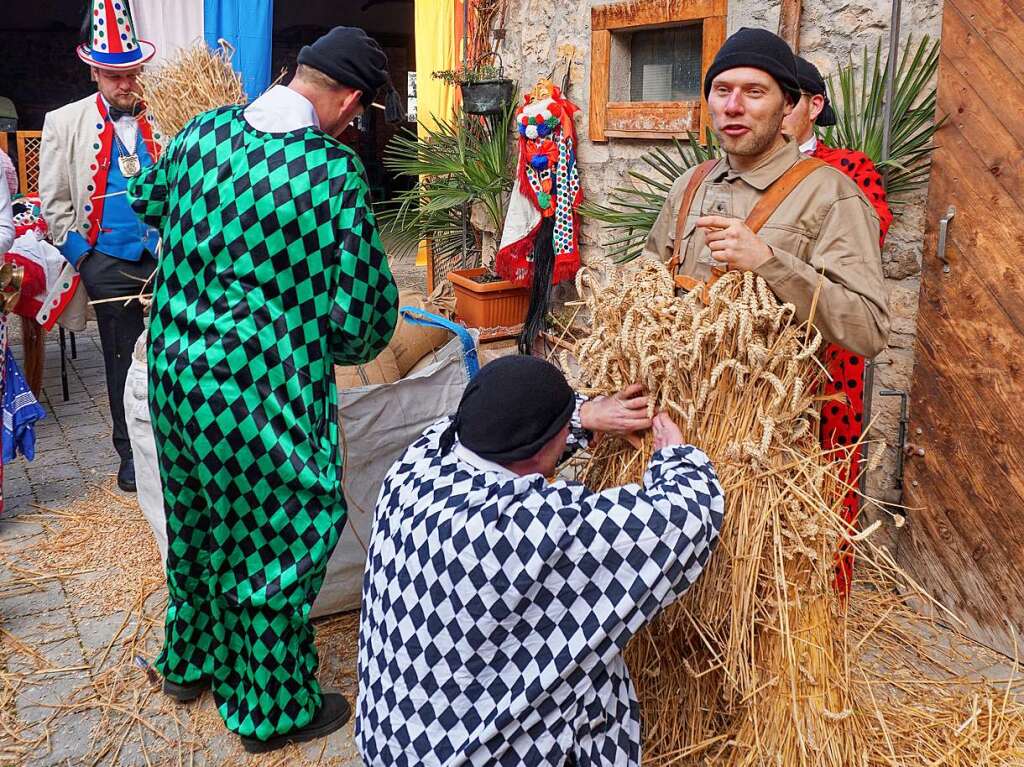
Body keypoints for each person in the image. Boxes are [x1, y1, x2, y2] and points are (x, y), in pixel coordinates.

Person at [127, 27, 399, 753]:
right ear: (347, 98)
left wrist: (208, 246)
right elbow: (366, 323)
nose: (351, 124)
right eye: (357, 112)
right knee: (283, 530)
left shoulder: (203, 132)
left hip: (175, 371)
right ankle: (271, 705)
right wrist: (310, 330)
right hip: (261, 387)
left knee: (196, 518)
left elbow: (147, 197)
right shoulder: (331, 174)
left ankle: (190, 661)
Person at [357, 355, 725, 766]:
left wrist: (582, 415)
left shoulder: (416, 464)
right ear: (539, 446)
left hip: (394, 739)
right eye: (563, 427)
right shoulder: (525, 532)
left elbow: (481, 429)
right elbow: (687, 516)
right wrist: (674, 455)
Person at [642, 27, 890, 360]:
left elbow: (868, 330)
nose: (733, 106)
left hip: (762, 409)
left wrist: (768, 262)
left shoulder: (831, 194)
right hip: (670, 405)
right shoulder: (690, 184)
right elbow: (644, 290)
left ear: (787, 103)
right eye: (721, 90)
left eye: (754, 92)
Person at [782, 54, 895, 594]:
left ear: (812, 106)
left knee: (831, 470)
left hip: (829, 353)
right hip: (754, 354)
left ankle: (825, 602)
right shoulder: (727, 173)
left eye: (787, 96)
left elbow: (863, 246)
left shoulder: (849, 171)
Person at [39, 0, 162, 492]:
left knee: (173, 358)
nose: (125, 83)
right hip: (106, 261)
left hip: (167, 258)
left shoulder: (167, 115)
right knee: (119, 361)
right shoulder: (63, 121)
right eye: (113, 74)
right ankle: (129, 454)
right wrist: (83, 258)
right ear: (93, 71)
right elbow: (53, 201)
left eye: (131, 72)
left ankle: (171, 450)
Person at [782, 56, 894, 242]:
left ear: (815, 106)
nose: (775, 110)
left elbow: (869, 236)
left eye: (788, 100)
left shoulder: (850, 166)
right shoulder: (733, 168)